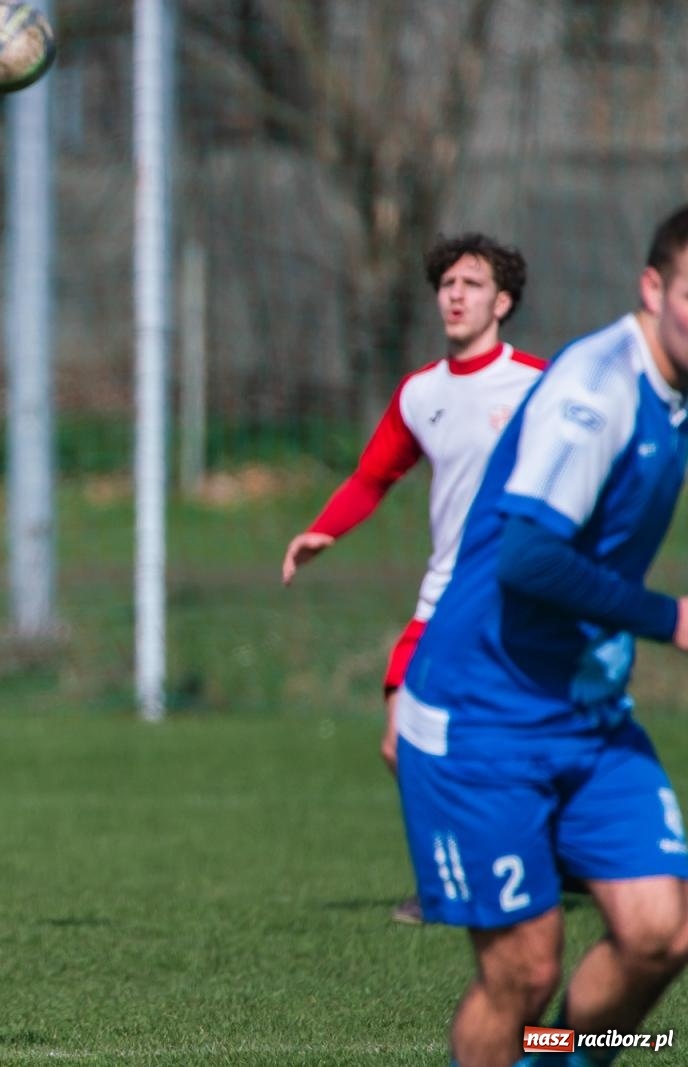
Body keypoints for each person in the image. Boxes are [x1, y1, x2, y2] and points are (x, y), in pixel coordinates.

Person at [394, 206, 688, 1066]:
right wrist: (670, 617)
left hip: (585, 713)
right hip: (481, 713)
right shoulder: (597, 388)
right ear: (653, 287)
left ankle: (555, 1060)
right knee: (523, 976)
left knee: (659, 935)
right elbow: (527, 558)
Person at [282, 233, 544, 924]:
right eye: (447, 283)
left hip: (518, 599)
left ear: (503, 301)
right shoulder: (420, 392)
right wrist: (323, 531)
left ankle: (476, 880)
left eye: (473, 284)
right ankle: (468, 874)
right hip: (443, 597)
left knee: (510, 745)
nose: (456, 295)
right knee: (400, 744)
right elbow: (373, 476)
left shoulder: (539, 386)